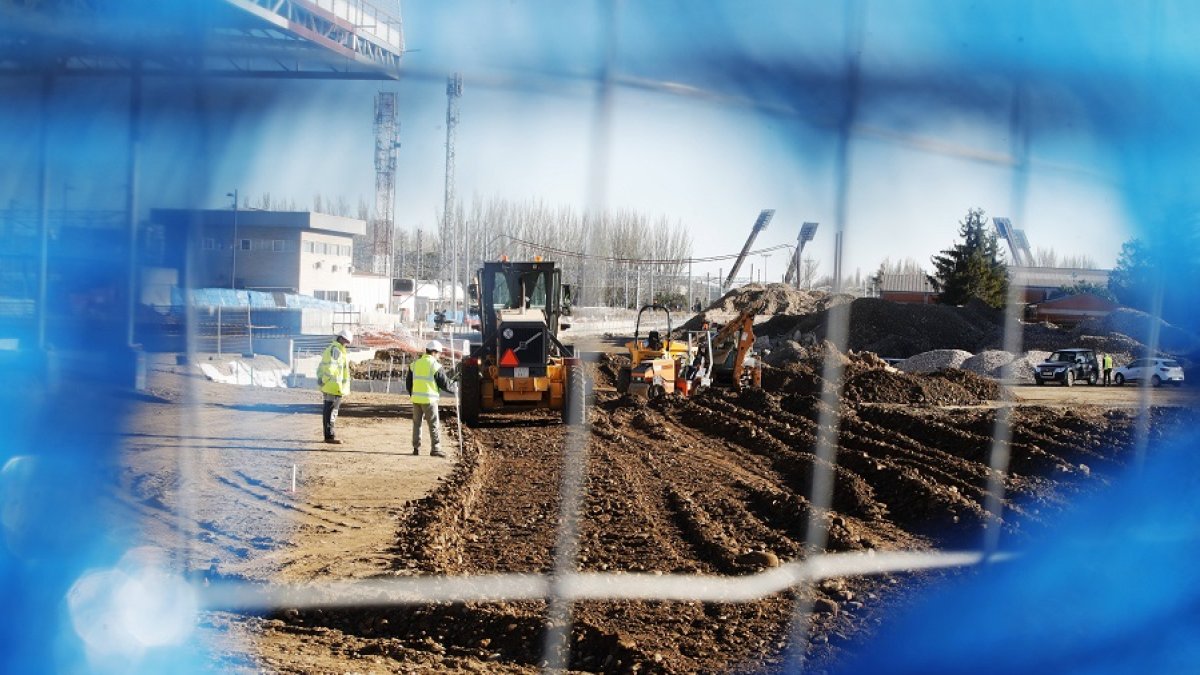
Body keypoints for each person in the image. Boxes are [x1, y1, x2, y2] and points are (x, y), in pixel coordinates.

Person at [406, 340, 457, 457]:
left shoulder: (414, 364)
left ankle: (415, 448)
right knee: (433, 424)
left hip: (416, 399)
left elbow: (408, 383)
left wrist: (413, 395)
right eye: (439, 353)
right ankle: (436, 449)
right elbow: (444, 384)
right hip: (429, 400)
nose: (439, 356)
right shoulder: (435, 365)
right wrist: (455, 388)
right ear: (434, 352)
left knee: (417, 424)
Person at [317, 329, 353, 444]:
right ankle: (329, 436)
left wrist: (322, 381)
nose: (346, 344)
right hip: (333, 387)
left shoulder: (333, 349)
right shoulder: (336, 350)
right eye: (346, 341)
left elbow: (321, 367)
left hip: (331, 386)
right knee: (331, 412)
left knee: (329, 411)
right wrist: (324, 380)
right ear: (341, 339)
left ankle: (329, 435)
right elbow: (330, 368)